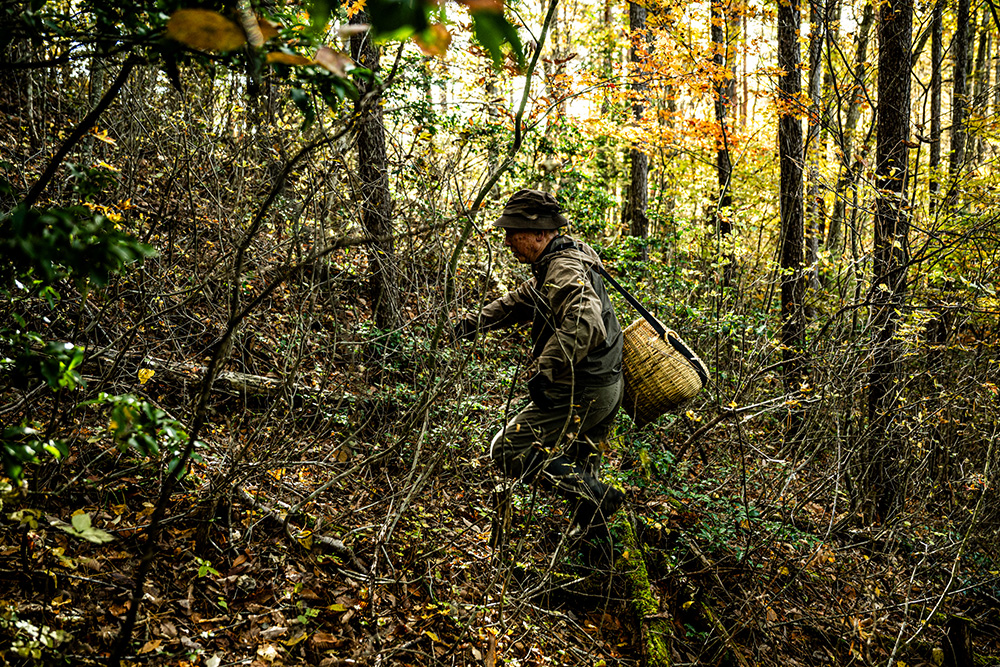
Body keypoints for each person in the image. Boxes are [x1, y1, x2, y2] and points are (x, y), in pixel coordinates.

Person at [456, 189, 627, 544]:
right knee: (583, 477)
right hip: (608, 385)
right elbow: (519, 302)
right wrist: (469, 325)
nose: (507, 241)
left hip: (584, 388)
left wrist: (546, 370)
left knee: (507, 450)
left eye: (512, 232)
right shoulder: (563, 259)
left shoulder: (562, 266)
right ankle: (599, 566)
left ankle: (596, 497)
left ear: (539, 233)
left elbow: (586, 321)